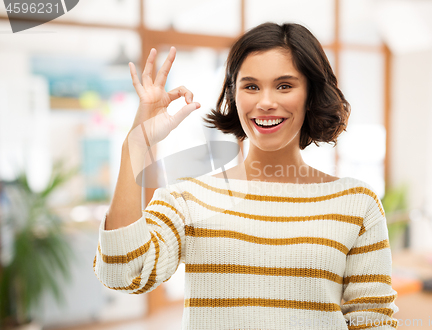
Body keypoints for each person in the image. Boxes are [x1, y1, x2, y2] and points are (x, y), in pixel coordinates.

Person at [94, 22, 399, 329]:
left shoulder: (357, 204)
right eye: (251, 86)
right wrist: (134, 144)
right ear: (234, 96)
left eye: (284, 86)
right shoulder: (187, 199)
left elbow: (372, 320)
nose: (265, 102)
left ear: (310, 95)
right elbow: (123, 273)